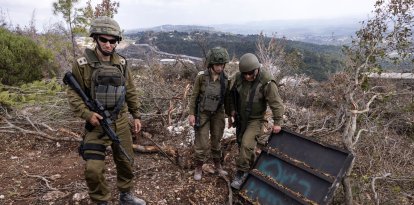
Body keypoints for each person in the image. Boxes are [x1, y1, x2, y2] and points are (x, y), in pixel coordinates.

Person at [66, 16, 146, 205]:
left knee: (126, 161)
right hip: (96, 125)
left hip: (119, 122)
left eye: (113, 41)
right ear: (95, 38)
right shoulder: (82, 65)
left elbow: (130, 90)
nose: (108, 45)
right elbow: (73, 94)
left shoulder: (122, 63)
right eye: (104, 40)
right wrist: (87, 114)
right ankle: (101, 200)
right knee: (93, 170)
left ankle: (126, 195)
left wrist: (136, 115)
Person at [228, 53, 284, 189]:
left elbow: (276, 103)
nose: (247, 76)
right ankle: (252, 166)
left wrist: (278, 122)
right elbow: (230, 94)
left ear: (257, 69)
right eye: (245, 73)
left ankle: (241, 173)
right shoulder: (238, 77)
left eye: (250, 73)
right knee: (242, 143)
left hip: (256, 119)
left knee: (247, 144)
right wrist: (231, 111)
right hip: (241, 117)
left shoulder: (267, 82)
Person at [188, 47, 231, 181]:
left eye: (222, 64)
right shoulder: (202, 77)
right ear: (211, 64)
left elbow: (228, 99)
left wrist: (230, 115)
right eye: (217, 64)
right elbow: (194, 96)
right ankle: (199, 167)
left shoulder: (225, 79)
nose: (220, 67)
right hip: (203, 113)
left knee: (217, 139)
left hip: (218, 112)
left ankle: (218, 165)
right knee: (202, 142)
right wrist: (191, 114)